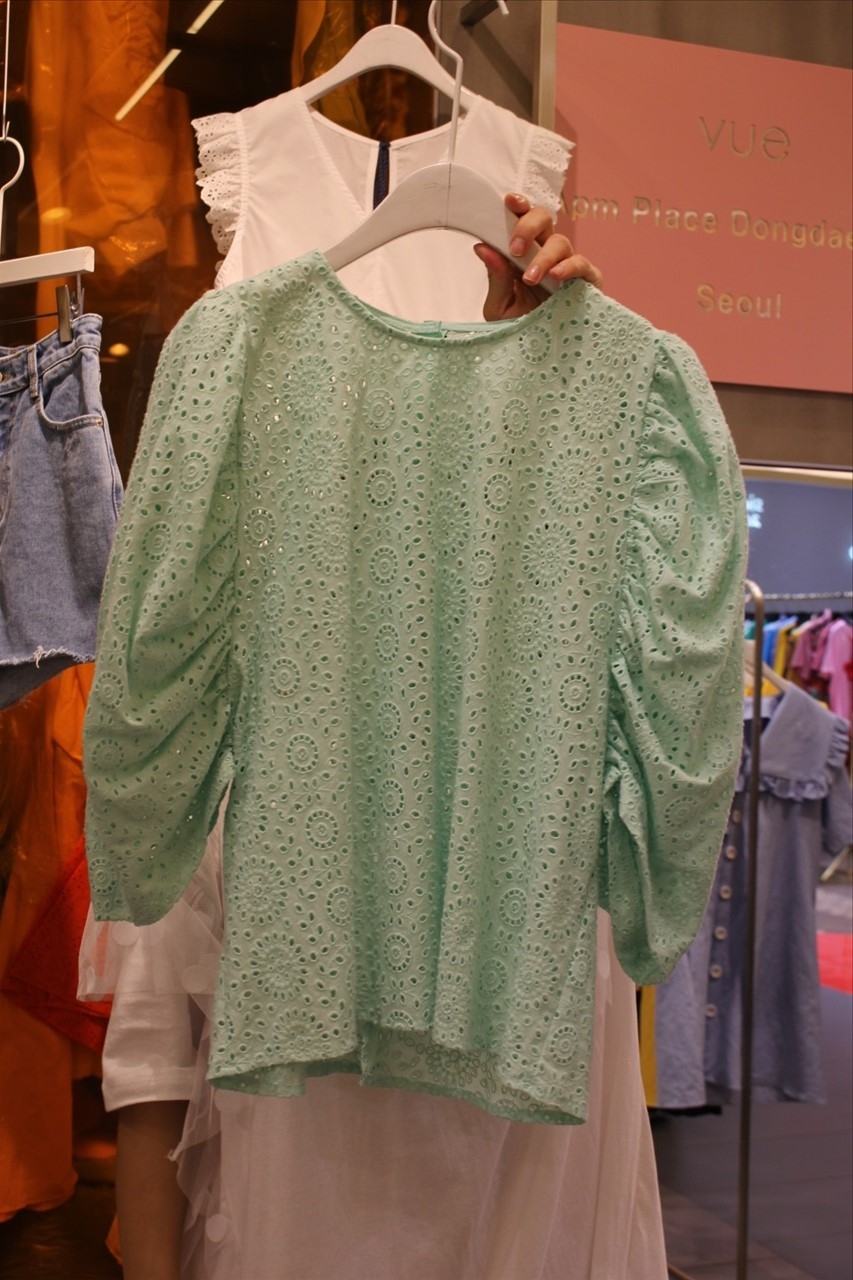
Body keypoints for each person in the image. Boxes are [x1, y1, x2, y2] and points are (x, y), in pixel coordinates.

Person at [81, 202, 666, 1280]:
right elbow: (150, 1065)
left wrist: (572, 383)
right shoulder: (214, 749)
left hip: (525, 1191)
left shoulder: (571, 761)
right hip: (307, 1212)